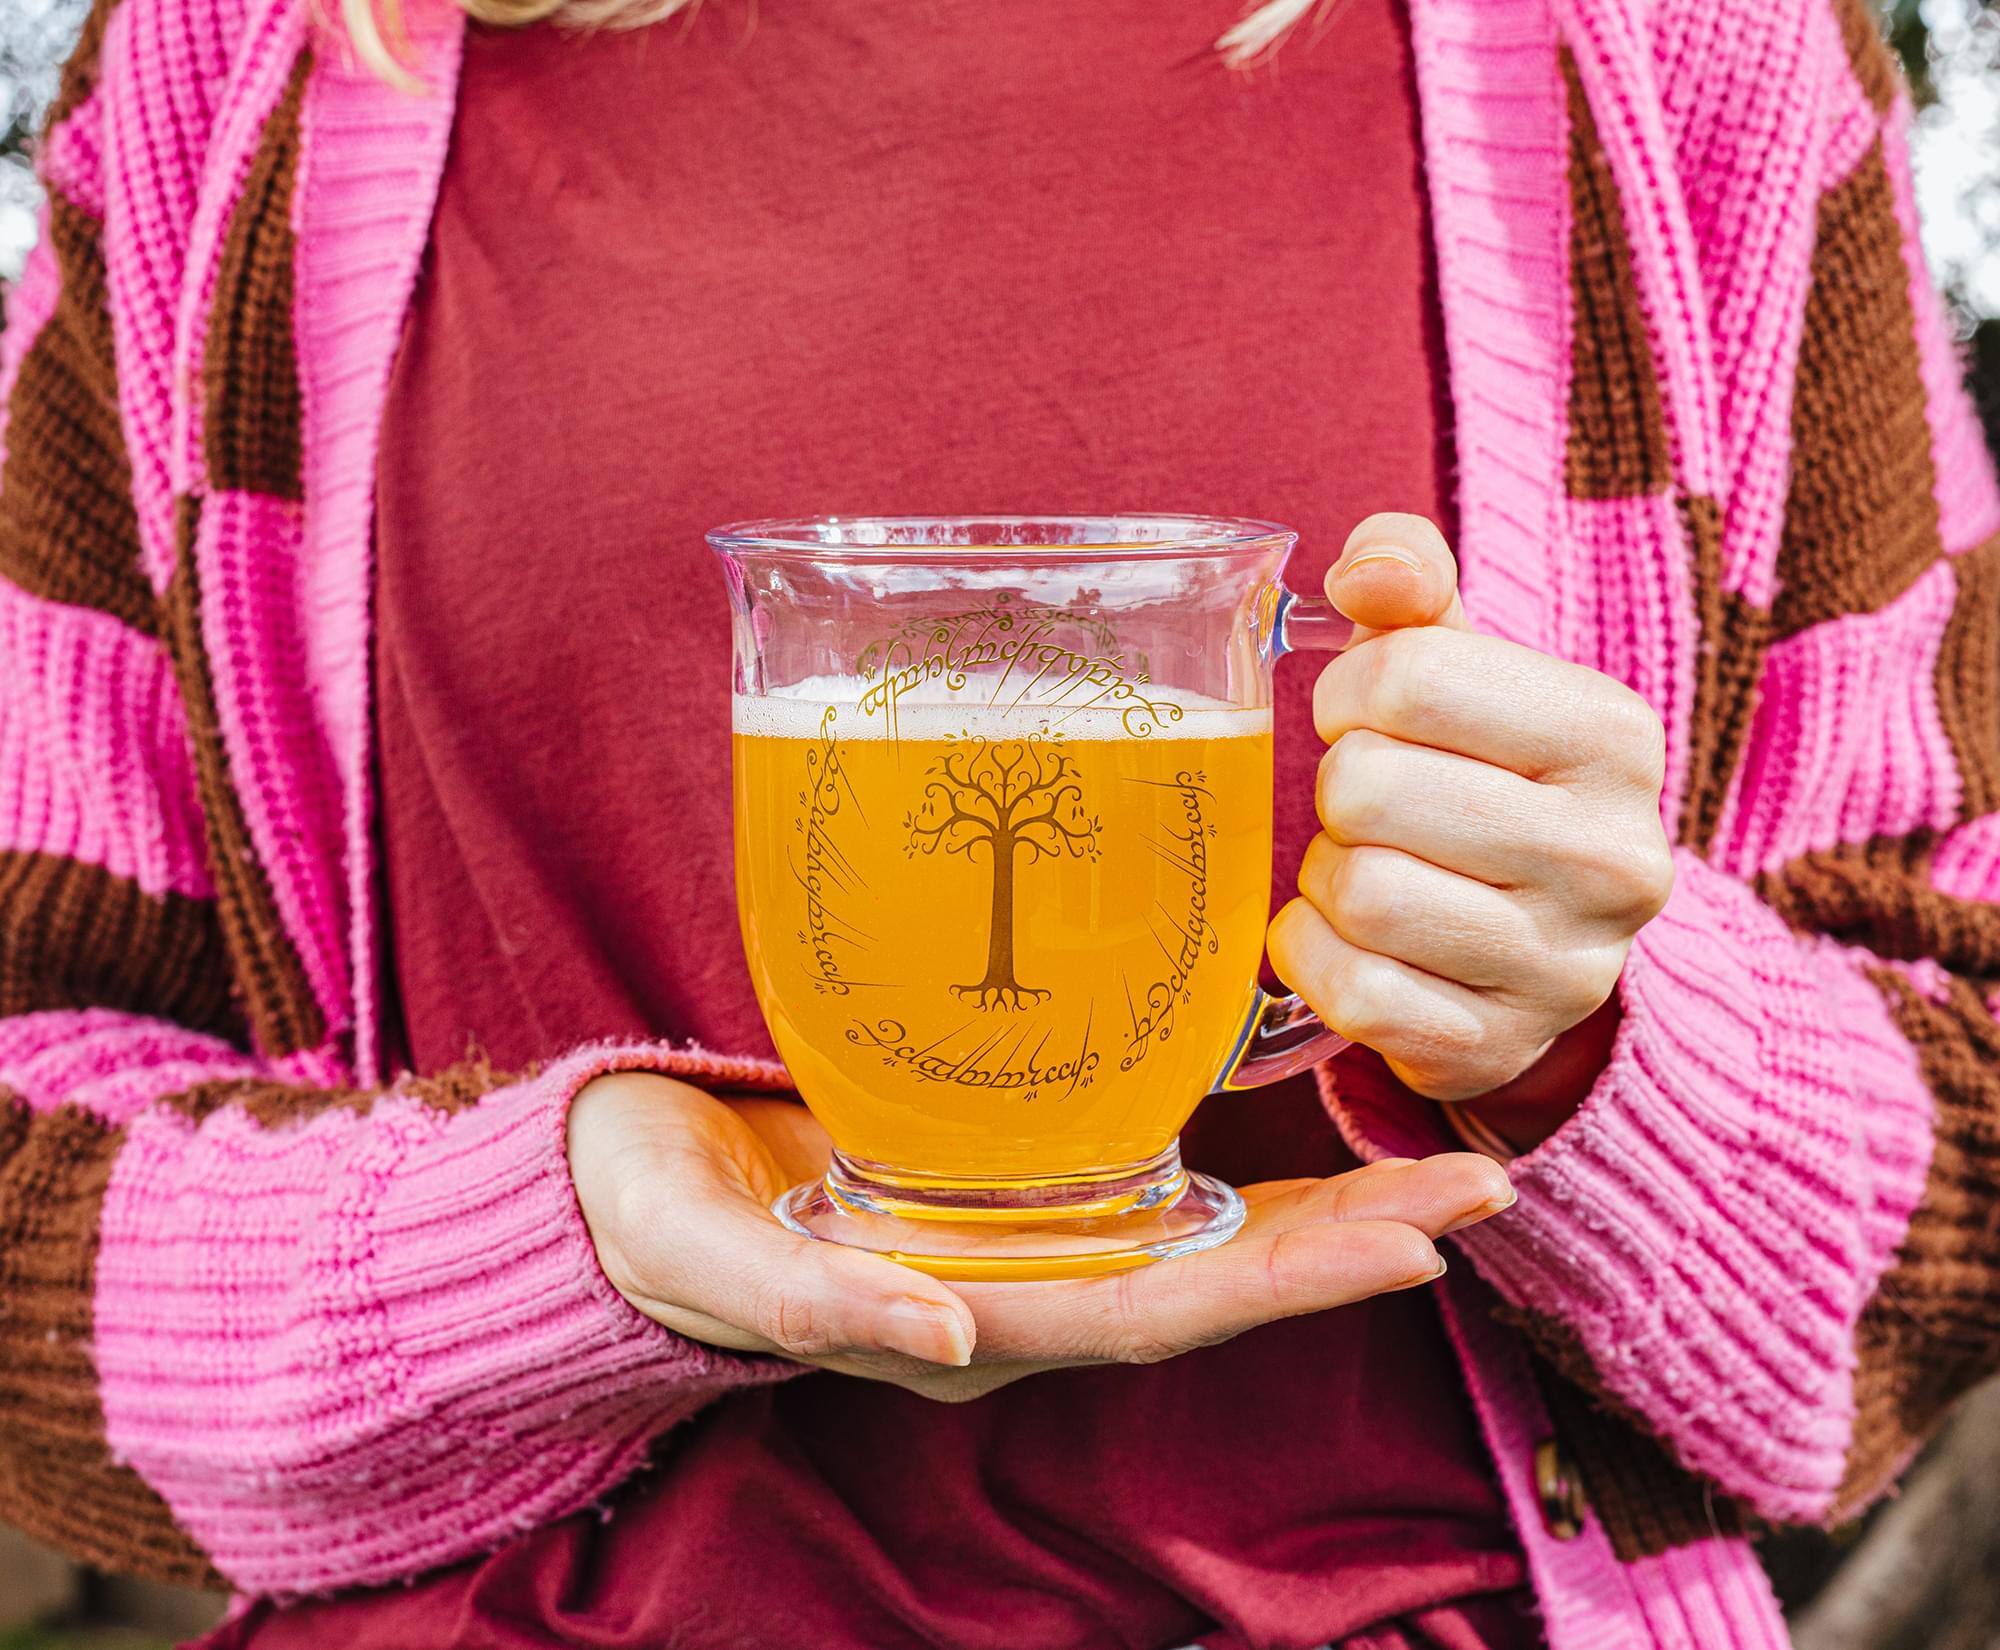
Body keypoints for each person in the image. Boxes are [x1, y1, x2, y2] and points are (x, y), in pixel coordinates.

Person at [0, 0, 1991, 1643]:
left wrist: (1583, 1044)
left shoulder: (1677, 53)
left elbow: (1942, 1186)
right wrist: (541, 1241)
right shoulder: (240, 69)